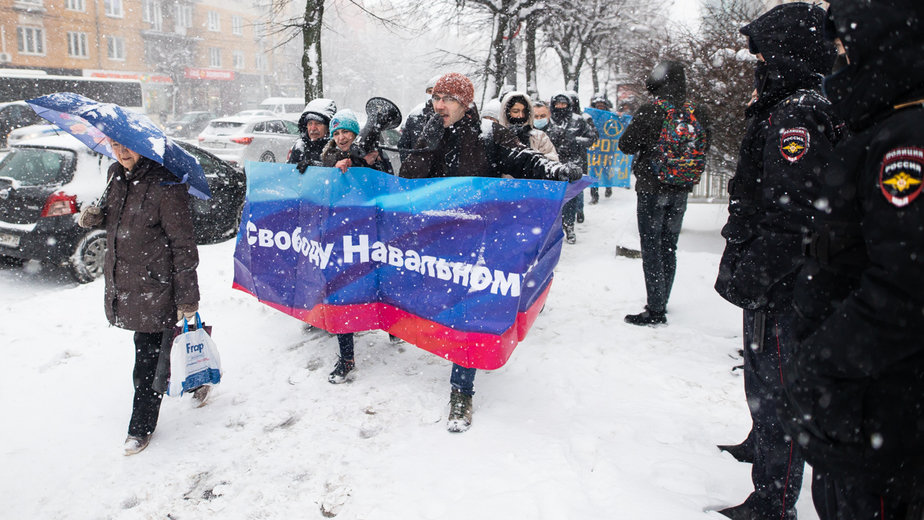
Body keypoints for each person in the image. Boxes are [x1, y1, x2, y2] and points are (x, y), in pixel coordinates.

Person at [780, 1, 924, 518]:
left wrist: (821, 361)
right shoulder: (887, 124)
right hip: (867, 401)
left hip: (882, 403)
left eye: (847, 45)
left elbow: (906, 286)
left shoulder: (905, 138)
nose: (840, 58)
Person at [712, 4, 843, 519]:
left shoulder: (797, 112)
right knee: (764, 379)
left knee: (778, 384)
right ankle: (764, 449)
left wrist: (754, 274)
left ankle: (773, 497)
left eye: (765, 51)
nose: (758, 60)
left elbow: (794, 214)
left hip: (786, 278)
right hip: (777, 271)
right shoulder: (789, 102)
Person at [401, 72, 581, 433]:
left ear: (466, 103)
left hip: (477, 238)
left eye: (448, 99)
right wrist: (426, 145)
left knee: (469, 309)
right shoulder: (426, 129)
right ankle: (447, 348)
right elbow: (407, 178)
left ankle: (461, 389)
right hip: (437, 239)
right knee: (443, 305)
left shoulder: (487, 133)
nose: (440, 106)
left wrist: (556, 170)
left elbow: (524, 160)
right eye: (437, 98)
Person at [77, 140, 202, 456]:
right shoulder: (115, 175)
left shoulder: (166, 184)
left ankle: (140, 426)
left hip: (157, 285)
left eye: (128, 147)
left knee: (146, 359)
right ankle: (199, 376)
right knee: (171, 344)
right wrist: (97, 217)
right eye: (116, 146)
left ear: (143, 147)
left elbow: (183, 245)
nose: (121, 152)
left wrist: (187, 296)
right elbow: (120, 218)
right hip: (127, 282)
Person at [619, 61, 710, 326]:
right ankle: (663, 300)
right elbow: (705, 147)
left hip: (651, 187)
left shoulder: (652, 110)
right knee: (669, 245)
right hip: (681, 187)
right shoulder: (698, 111)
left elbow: (626, 145)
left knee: (651, 246)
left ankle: (656, 308)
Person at [319, 109, 393, 384]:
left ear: (355, 133)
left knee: (381, 281)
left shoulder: (372, 152)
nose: (341, 137)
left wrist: (368, 164)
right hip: (341, 234)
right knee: (341, 291)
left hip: (371, 231)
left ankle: (392, 326)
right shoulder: (327, 159)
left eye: (346, 132)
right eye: (336, 133)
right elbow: (323, 190)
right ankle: (347, 357)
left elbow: (389, 183)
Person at [549, 91, 596, 242]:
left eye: (564, 104)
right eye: (558, 104)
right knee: (555, 199)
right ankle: (555, 228)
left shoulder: (578, 121)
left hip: (574, 163)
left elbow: (592, 138)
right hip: (553, 164)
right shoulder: (548, 121)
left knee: (571, 197)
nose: (560, 107)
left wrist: (576, 141)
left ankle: (569, 226)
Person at [498, 91, 558, 161]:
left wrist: (533, 159)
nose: (520, 115)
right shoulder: (497, 137)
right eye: (515, 111)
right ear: (506, 112)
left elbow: (551, 162)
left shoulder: (539, 137)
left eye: (524, 111)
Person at [398, 75, 441, 163]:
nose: (432, 94)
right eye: (430, 91)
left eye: (436, 92)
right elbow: (403, 146)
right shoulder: (415, 116)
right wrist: (410, 164)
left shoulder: (450, 117)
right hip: (418, 170)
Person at [289, 97, 337, 170]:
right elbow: (289, 174)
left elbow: (336, 172)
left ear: (328, 128)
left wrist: (314, 165)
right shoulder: (299, 147)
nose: (313, 128)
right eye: (310, 123)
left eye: (318, 123)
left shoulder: (337, 147)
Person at [589, 93, 614, 199]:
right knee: (594, 171)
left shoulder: (611, 116)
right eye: (598, 105)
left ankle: (608, 187)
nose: (600, 106)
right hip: (595, 148)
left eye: (602, 104)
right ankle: (594, 195)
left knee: (606, 170)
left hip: (607, 148)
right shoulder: (590, 116)